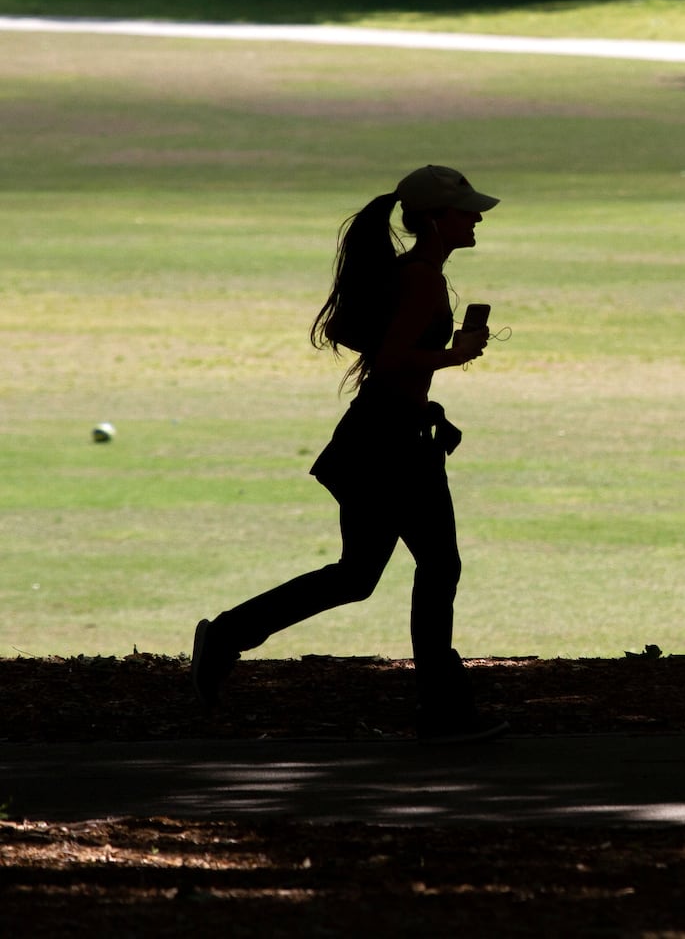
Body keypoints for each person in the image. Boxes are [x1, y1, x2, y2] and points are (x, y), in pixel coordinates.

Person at [191, 164, 504, 744]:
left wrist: (437, 381)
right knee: (436, 567)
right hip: (389, 443)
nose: (479, 217)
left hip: (386, 436)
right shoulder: (421, 280)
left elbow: (386, 355)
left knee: (359, 575)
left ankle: (228, 635)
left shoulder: (417, 273)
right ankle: (443, 716)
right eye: (468, 210)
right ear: (435, 220)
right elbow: (390, 362)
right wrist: (455, 355)